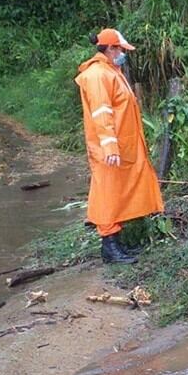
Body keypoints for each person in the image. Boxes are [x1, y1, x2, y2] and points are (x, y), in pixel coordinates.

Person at [75, 28, 164, 264]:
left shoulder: (112, 72)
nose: (124, 54)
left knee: (117, 192)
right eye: (122, 50)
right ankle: (109, 247)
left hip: (121, 146)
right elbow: (101, 113)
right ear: (111, 49)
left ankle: (117, 244)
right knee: (107, 193)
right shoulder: (98, 76)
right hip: (108, 150)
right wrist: (110, 147)